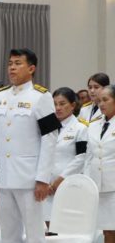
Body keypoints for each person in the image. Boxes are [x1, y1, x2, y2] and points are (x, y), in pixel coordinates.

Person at [0, 49, 59, 243]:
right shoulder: (0, 97)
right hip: (5, 176)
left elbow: (50, 138)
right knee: (9, 236)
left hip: (30, 177)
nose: (12, 68)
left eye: (18, 63)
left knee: (34, 236)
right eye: (10, 63)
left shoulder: (41, 97)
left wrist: (42, 178)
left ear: (31, 68)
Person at [85, 85, 115, 243]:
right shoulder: (94, 125)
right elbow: (89, 156)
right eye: (100, 100)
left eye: (106, 99)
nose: (101, 103)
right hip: (101, 186)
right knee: (108, 232)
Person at [45, 87, 87, 226]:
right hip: (46, 185)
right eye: (55, 104)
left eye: (62, 104)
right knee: (48, 227)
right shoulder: (47, 128)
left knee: (65, 227)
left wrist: (60, 180)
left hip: (68, 184)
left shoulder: (80, 128)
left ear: (73, 105)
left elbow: (81, 158)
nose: (58, 108)